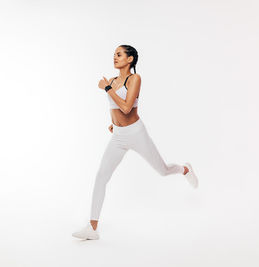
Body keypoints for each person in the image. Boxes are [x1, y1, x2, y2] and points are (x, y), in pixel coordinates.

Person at [72, 45, 198, 240]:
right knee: (101, 176)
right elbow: (114, 108)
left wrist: (106, 88)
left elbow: (126, 106)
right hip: (119, 136)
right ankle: (92, 227)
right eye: (114, 54)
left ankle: (185, 170)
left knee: (163, 170)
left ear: (130, 59)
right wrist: (113, 124)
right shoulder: (113, 80)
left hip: (136, 133)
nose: (115, 57)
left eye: (119, 54)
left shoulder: (134, 79)